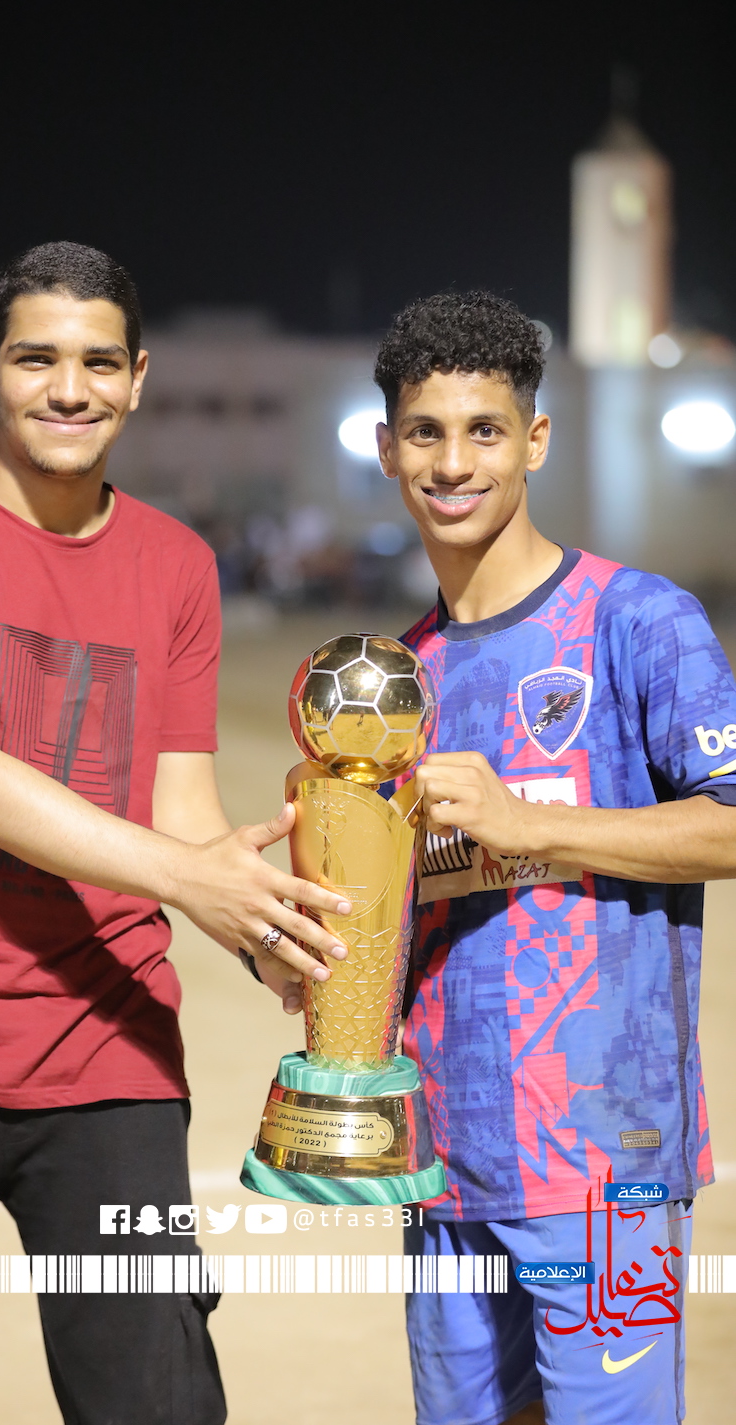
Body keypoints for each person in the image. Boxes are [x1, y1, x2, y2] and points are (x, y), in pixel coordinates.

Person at [0, 241, 351, 1425]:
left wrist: (272, 942)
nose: (67, 388)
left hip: (109, 1052)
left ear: (137, 379)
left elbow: (180, 811)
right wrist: (195, 881)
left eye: (98, 362)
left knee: (158, 1403)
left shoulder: (177, 564)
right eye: (35, 358)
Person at [373, 291, 736, 1425]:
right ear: (387, 449)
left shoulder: (638, 620)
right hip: (442, 1166)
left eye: (483, 430)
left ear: (533, 439)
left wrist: (534, 825)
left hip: (604, 1162)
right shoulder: (396, 677)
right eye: (425, 432)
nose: (452, 463)